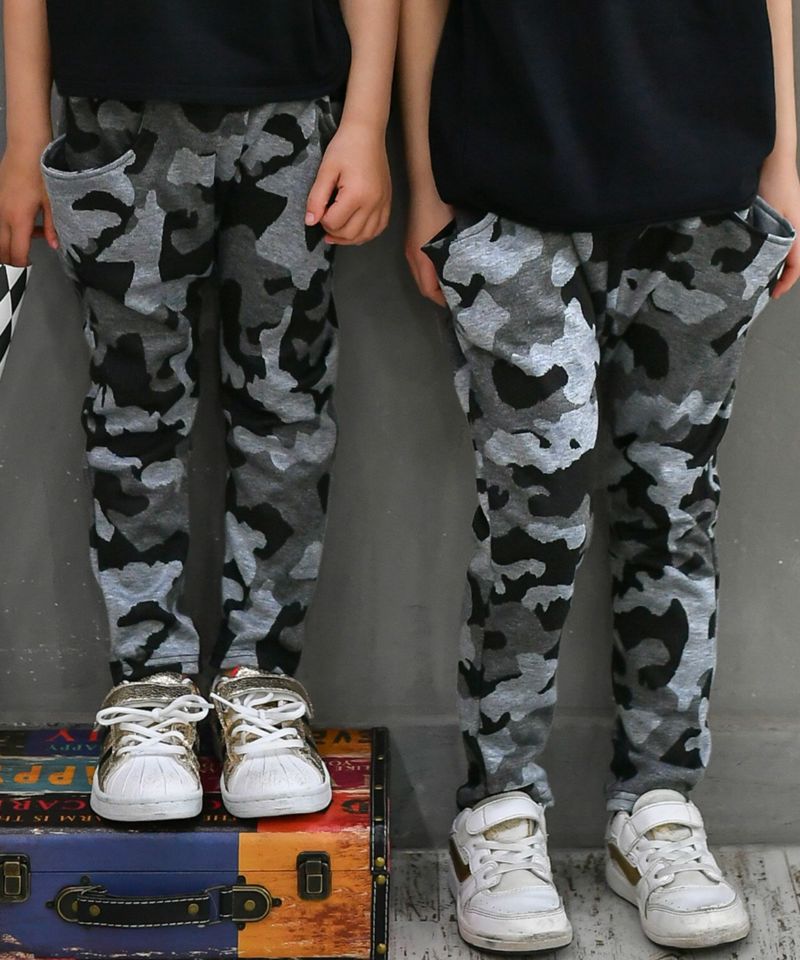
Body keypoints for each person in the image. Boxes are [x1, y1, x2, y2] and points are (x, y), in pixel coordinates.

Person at [400, 0, 800, 950]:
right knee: (534, 516)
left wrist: (783, 164)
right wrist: (424, 183)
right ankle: (497, 808)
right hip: (507, 193)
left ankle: (656, 808)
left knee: (675, 504)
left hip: (708, 191)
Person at [0, 0, 398, 823]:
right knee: (133, 413)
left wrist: (366, 120)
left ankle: (262, 680)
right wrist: (23, 134)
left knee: (286, 409)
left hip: (293, 106)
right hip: (115, 112)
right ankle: (151, 685)